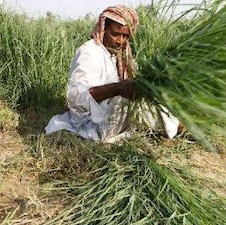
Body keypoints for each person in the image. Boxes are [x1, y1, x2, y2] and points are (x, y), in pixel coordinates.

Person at [45, 5, 180, 143]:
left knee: (152, 101)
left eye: (125, 36)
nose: (120, 41)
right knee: (137, 107)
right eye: (115, 34)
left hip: (111, 112)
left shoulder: (121, 54)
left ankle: (181, 125)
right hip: (91, 121)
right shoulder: (90, 52)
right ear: (103, 29)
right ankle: (179, 127)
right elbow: (76, 97)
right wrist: (117, 89)